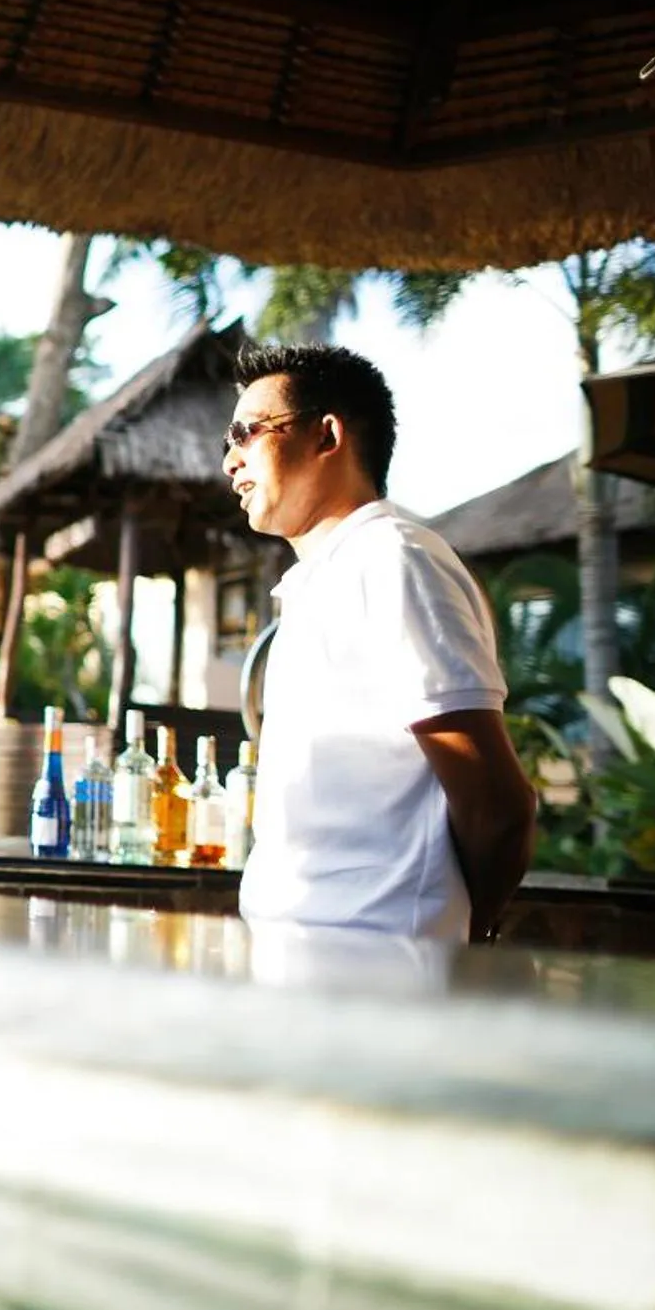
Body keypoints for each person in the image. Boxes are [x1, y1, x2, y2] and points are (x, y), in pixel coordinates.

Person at [221, 343, 537, 943]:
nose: (230, 462)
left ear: (326, 435)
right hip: (303, 965)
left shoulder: (395, 562)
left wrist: (467, 938)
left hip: (379, 969)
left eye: (245, 433)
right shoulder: (323, 581)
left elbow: (498, 806)